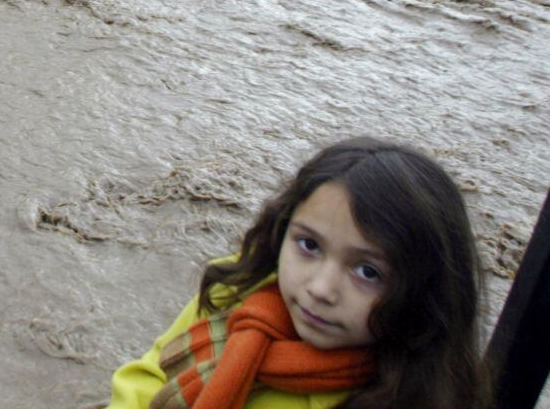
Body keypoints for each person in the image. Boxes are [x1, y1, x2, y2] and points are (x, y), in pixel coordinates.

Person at [106, 137, 487, 409]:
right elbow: (148, 377)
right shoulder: (234, 291)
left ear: (425, 292)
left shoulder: (407, 394)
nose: (320, 289)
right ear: (282, 231)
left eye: (368, 271)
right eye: (309, 245)